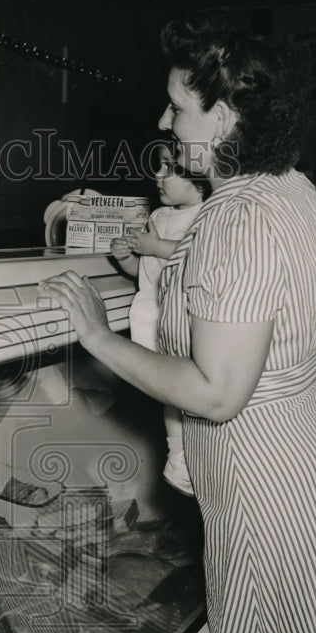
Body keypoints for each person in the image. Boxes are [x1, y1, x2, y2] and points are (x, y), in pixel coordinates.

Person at [40, 16, 316, 633]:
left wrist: (95, 334)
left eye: (176, 107)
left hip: (276, 500)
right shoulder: (287, 187)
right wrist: (158, 258)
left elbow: (216, 392)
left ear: (221, 118)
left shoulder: (233, 220)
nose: (163, 121)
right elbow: (241, 292)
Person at [110, 134, 209, 496]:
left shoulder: (208, 217)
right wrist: (127, 259)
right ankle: (178, 455)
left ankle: (194, 456)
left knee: (187, 391)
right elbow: (147, 271)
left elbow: (196, 256)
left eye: (170, 167)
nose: (157, 174)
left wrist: (155, 246)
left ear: (199, 178)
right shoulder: (157, 216)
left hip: (183, 319)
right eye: (159, 165)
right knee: (170, 393)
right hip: (151, 313)